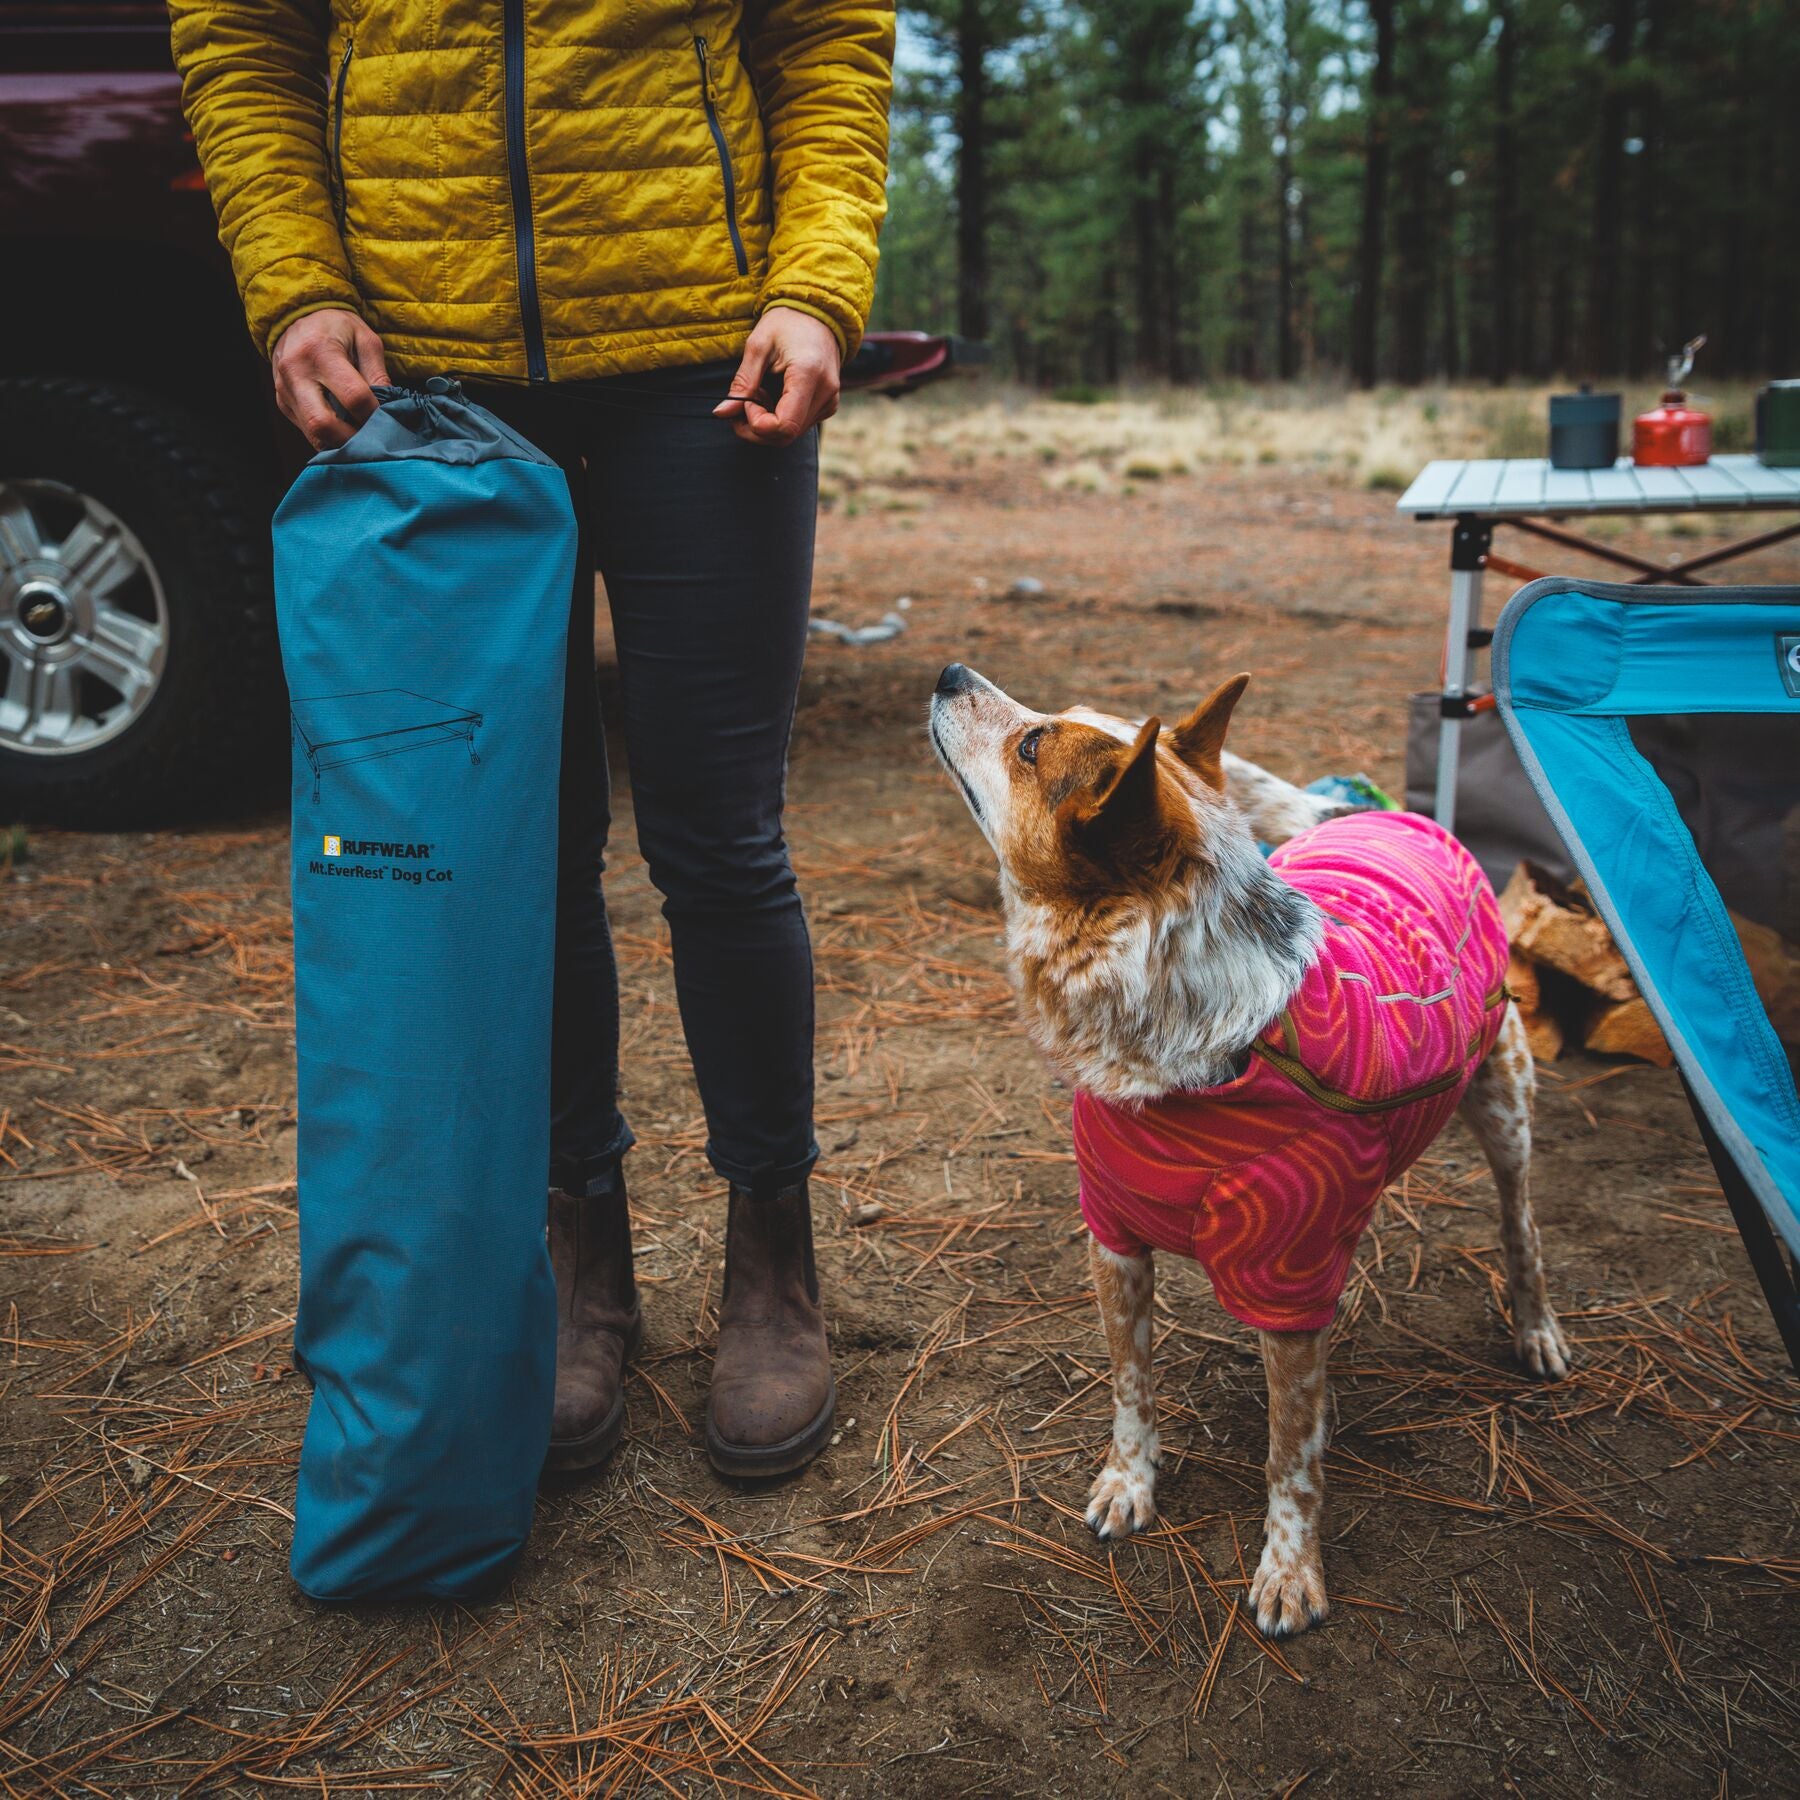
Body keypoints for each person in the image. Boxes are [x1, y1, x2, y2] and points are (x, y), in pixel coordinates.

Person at [168, 0, 894, 1480]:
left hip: (705, 359)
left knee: (721, 836)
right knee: (520, 852)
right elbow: (243, 36)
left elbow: (827, 37)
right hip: (429, 377)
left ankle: (774, 1253)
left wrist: (817, 285)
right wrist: (295, 283)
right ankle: (581, 1250)